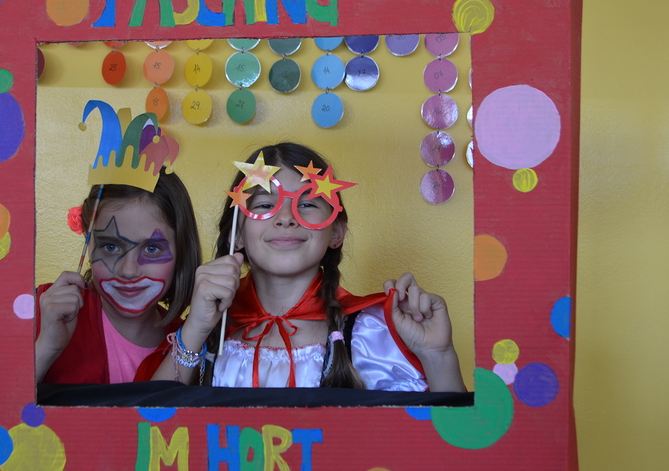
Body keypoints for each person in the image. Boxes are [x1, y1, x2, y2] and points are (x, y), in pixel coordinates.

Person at [152, 142, 465, 392]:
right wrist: (194, 330)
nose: (286, 217)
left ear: (336, 232)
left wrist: (437, 356)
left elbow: (450, 442)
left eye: (306, 203)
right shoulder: (209, 329)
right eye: (265, 204)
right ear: (237, 234)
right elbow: (147, 428)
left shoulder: (371, 334)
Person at [36, 170, 201, 384]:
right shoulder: (43, 312)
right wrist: (46, 347)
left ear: (181, 250)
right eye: (111, 247)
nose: (128, 270)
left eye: (151, 249)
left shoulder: (192, 341)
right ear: (89, 244)